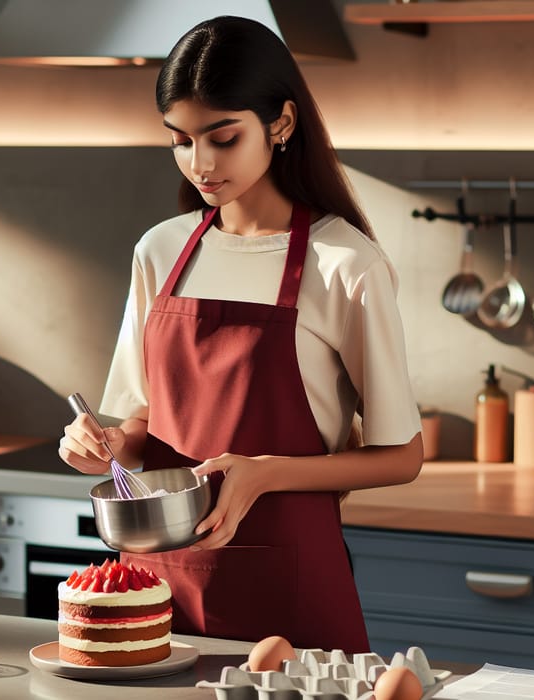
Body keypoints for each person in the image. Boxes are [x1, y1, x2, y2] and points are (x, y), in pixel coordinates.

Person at [59, 15, 422, 653]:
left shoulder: (343, 262)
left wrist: (265, 473)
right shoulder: (161, 251)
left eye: (223, 138)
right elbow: (141, 430)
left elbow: (402, 456)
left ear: (280, 123)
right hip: (160, 591)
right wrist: (106, 443)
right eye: (180, 139)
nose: (200, 163)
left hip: (291, 596)